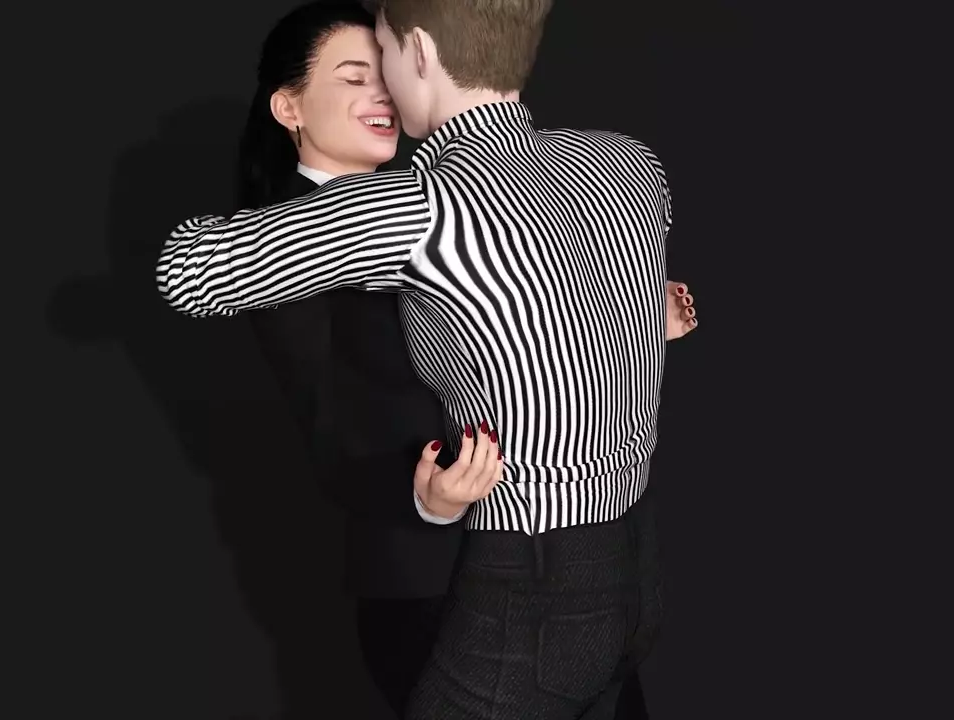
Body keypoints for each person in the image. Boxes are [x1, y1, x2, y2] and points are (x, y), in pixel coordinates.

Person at [221, 2, 696, 717]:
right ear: (290, 108)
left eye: (382, 68)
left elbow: (522, 331)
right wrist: (428, 500)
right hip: (428, 587)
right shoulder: (294, 252)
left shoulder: (443, 201)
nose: (382, 90)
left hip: (574, 572)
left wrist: (629, 311)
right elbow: (330, 432)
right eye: (355, 76)